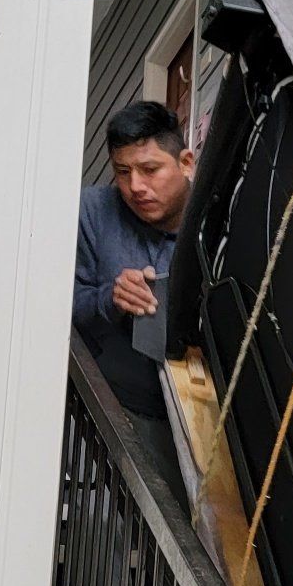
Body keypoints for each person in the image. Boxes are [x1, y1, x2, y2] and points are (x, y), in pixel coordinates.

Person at [74, 100, 194, 481]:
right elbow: (56, 308)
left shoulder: (215, 223)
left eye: (150, 169)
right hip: (113, 404)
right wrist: (111, 298)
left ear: (186, 163)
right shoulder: (93, 210)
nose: (135, 187)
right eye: (123, 172)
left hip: (200, 414)